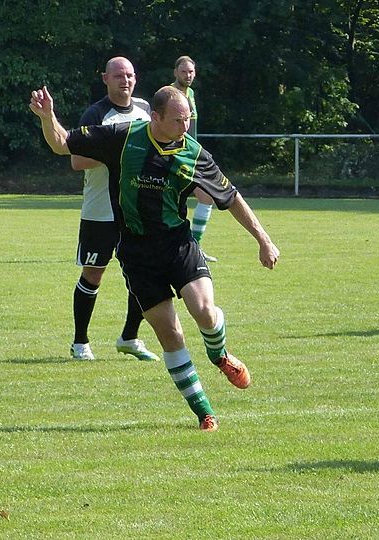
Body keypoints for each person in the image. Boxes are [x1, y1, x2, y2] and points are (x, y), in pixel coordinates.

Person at [30, 84, 280, 432]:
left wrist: (263, 240)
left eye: (188, 119)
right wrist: (47, 116)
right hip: (137, 255)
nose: (185, 126)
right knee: (170, 334)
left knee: (205, 312)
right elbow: (62, 143)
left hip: (178, 245)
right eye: (178, 120)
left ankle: (219, 354)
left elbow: (231, 197)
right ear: (156, 117)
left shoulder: (194, 153)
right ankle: (204, 412)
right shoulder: (122, 137)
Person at [68, 56, 159, 362]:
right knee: (93, 274)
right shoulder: (95, 114)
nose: (125, 80)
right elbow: (76, 160)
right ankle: (80, 343)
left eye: (130, 75)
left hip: (135, 210)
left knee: (144, 272)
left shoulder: (145, 109)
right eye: (118, 75)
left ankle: (130, 338)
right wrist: (118, 152)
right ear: (105, 79)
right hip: (100, 211)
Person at [171, 55, 216, 260]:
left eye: (190, 72)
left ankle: (194, 247)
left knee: (206, 197)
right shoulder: (170, 94)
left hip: (190, 156)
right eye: (183, 71)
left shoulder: (190, 93)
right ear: (175, 73)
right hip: (175, 157)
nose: (188, 75)